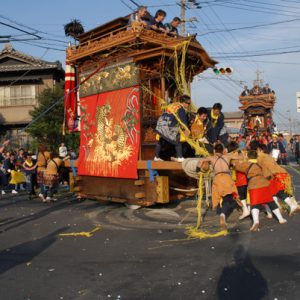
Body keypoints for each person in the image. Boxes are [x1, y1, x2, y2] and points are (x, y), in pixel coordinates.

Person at [234, 150, 287, 231]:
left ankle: (256, 222)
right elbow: (268, 175)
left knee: (254, 204)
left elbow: (237, 166)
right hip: (264, 184)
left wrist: (240, 159)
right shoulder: (261, 164)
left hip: (253, 185)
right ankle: (281, 219)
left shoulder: (246, 164)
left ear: (248, 156)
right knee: (271, 202)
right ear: (256, 156)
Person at [198, 143, 242, 230]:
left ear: (214, 150)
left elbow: (200, 163)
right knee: (228, 198)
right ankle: (223, 215)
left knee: (219, 197)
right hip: (227, 178)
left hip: (217, 178)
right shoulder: (227, 156)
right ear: (223, 150)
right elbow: (240, 157)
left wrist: (201, 168)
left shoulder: (211, 158)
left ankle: (221, 213)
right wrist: (239, 153)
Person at [257, 144, 300, 216]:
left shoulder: (262, 157)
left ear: (261, 150)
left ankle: (292, 205)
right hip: (280, 174)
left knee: (279, 191)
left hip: (278, 175)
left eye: (257, 150)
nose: (256, 151)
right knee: (278, 191)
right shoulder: (267, 156)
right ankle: (290, 206)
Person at [154, 95, 191, 162]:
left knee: (161, 139)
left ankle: (156, 157)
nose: (188, 105)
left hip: (160, 124)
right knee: (177, 140)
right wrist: (186, 130)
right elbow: (183, 121)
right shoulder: (181, 108)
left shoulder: (173, 105)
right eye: (188, 103)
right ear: (183, 102)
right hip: (168, 125)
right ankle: (179, 157)